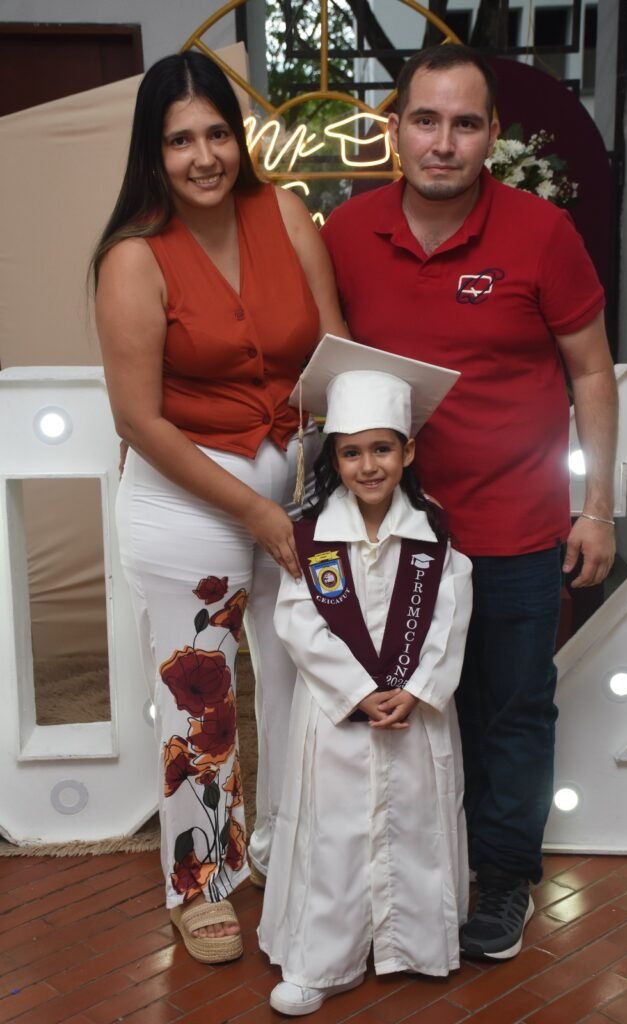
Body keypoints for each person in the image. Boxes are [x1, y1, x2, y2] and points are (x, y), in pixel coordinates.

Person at [321, 44, 618, 961]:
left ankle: (503, 881)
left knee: (513, 709)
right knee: (407, 713)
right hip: (397, 535)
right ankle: (421, 875)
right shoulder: (345, 233)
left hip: (519, 529)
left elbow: (592, 371)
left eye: (463, 124)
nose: (442, 143)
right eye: (425, 120)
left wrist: (597, 506)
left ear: (492, 135)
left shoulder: (541, 232)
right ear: (394, 129)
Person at [93, 51, 346, 963]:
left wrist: (333, 470)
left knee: (296, 677)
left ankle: (280, 846)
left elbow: (334, 343)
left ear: (239, 139)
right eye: (180, 141)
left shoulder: (285, 213)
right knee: (201, 703)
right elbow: (138, 419)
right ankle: (199, 883)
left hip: (294, 484)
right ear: (152, 152)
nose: (204, 157)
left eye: (217, 135)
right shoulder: (133, 256)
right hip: (186, 498)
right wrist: (254, 511)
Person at [258, 335, 473, 1015]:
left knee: (413, 822)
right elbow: (298, 622)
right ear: (335, 460)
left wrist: (416, 689)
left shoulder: (434, 537)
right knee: (335, 831)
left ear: (407, 452)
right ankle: (324, 959)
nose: (368, 465)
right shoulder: (311, 539)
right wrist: (357, 692)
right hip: (337, 713)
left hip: (413, 712)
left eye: (382, 449)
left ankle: (414, 943)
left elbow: (450, 619)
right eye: (351, 452)